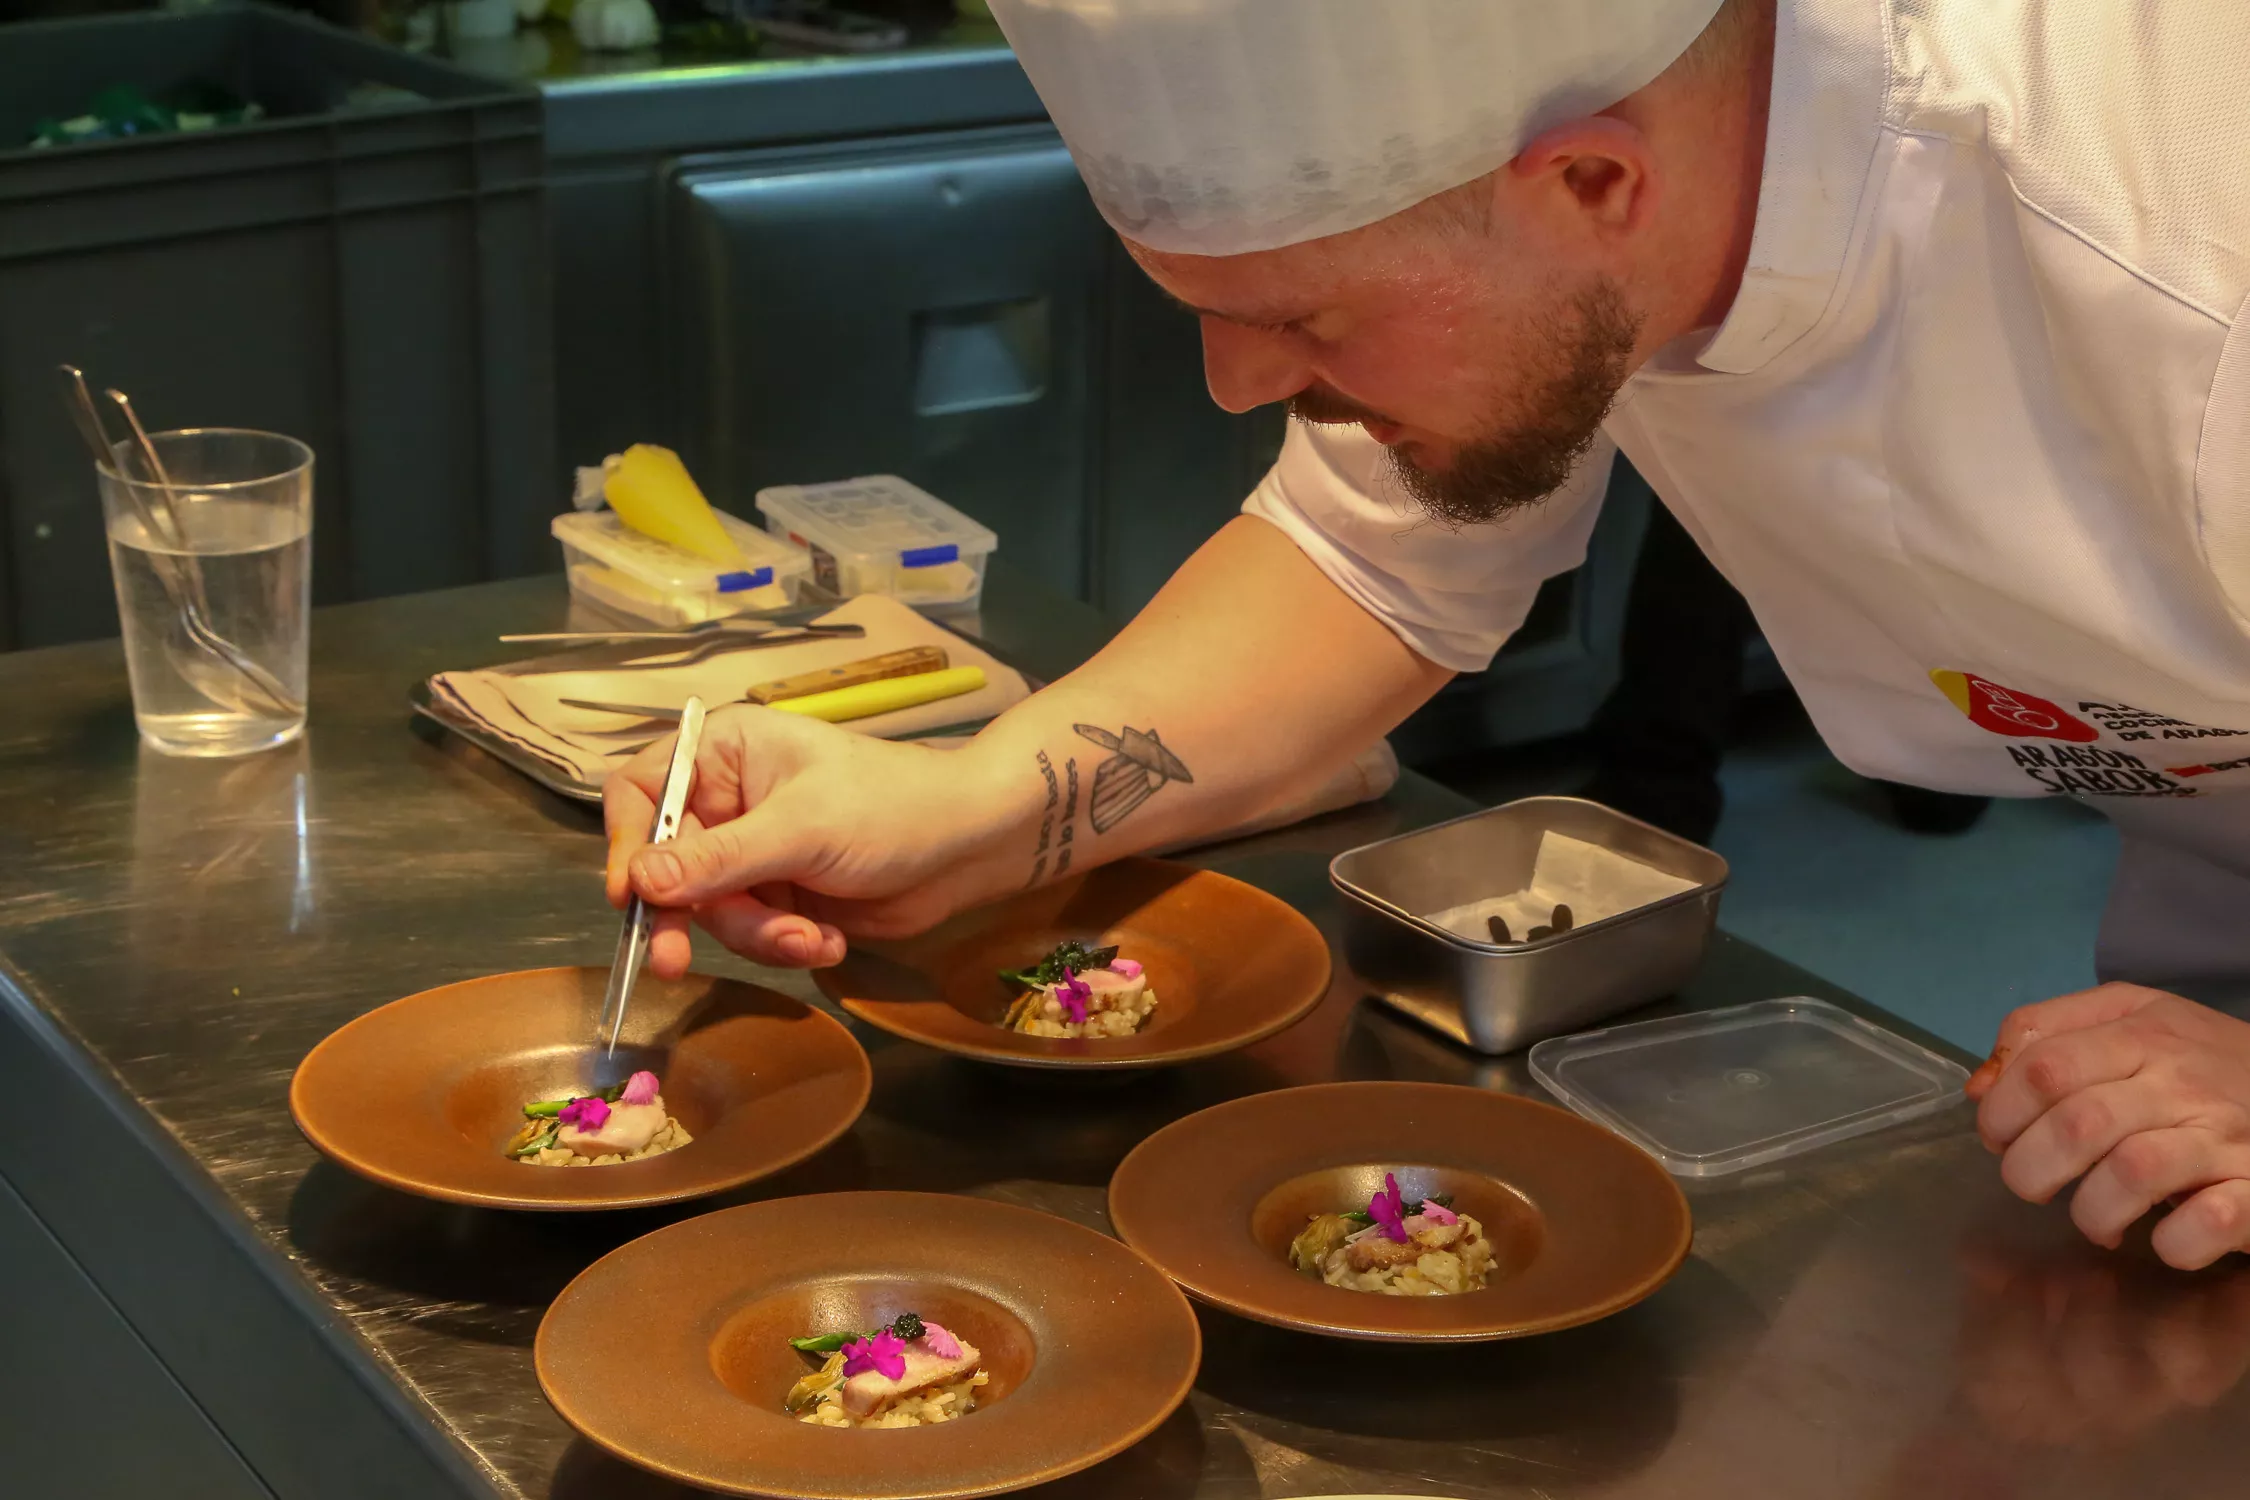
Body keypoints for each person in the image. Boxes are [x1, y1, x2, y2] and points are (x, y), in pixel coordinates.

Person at [606, 0, 2250, 1270]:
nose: (1234, 388)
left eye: (1302, 317)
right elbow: (1363, 564)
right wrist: (967, 808)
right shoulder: (1603, 187)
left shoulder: (2183, 247)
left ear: (1598, 180)